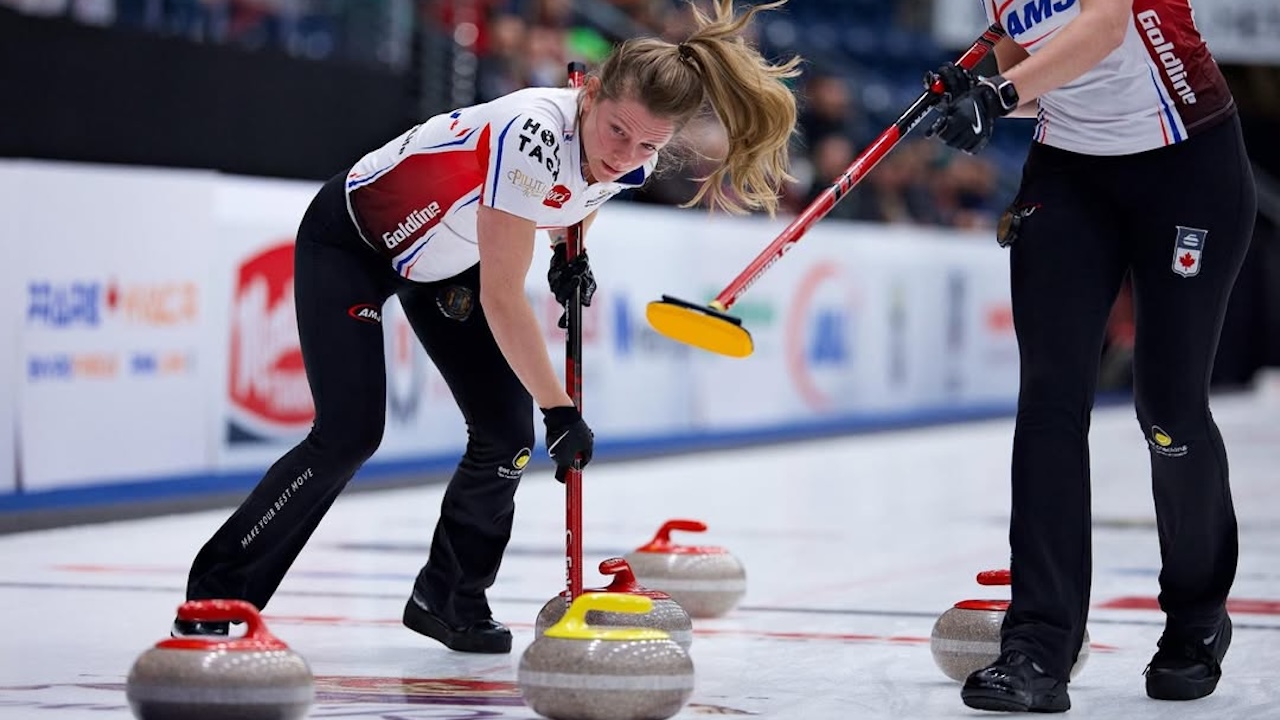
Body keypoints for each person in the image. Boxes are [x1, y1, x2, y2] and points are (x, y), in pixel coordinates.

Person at [172, 0, 800, 654]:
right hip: (354, 243)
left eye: (648, 145)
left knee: (505, 437)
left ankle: (447, 597)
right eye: (619, 132)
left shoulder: (631, 154)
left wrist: (568, 252)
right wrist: (559, 408)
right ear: (587, 96)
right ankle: (217, 592)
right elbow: (503, 298)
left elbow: (582, 191)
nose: (627, 157)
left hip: (444, 259)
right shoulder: (529, 131)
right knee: (348, 435)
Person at [924, 0, 1256, 712]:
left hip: (1187, 162)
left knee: (1168, 409)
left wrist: (997, 92)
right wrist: (975, 98)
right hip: (1072, 173)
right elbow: (1035, 70)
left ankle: (1196, 621)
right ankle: (1038, 650)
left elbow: (1104, 29)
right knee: (1048, 401)